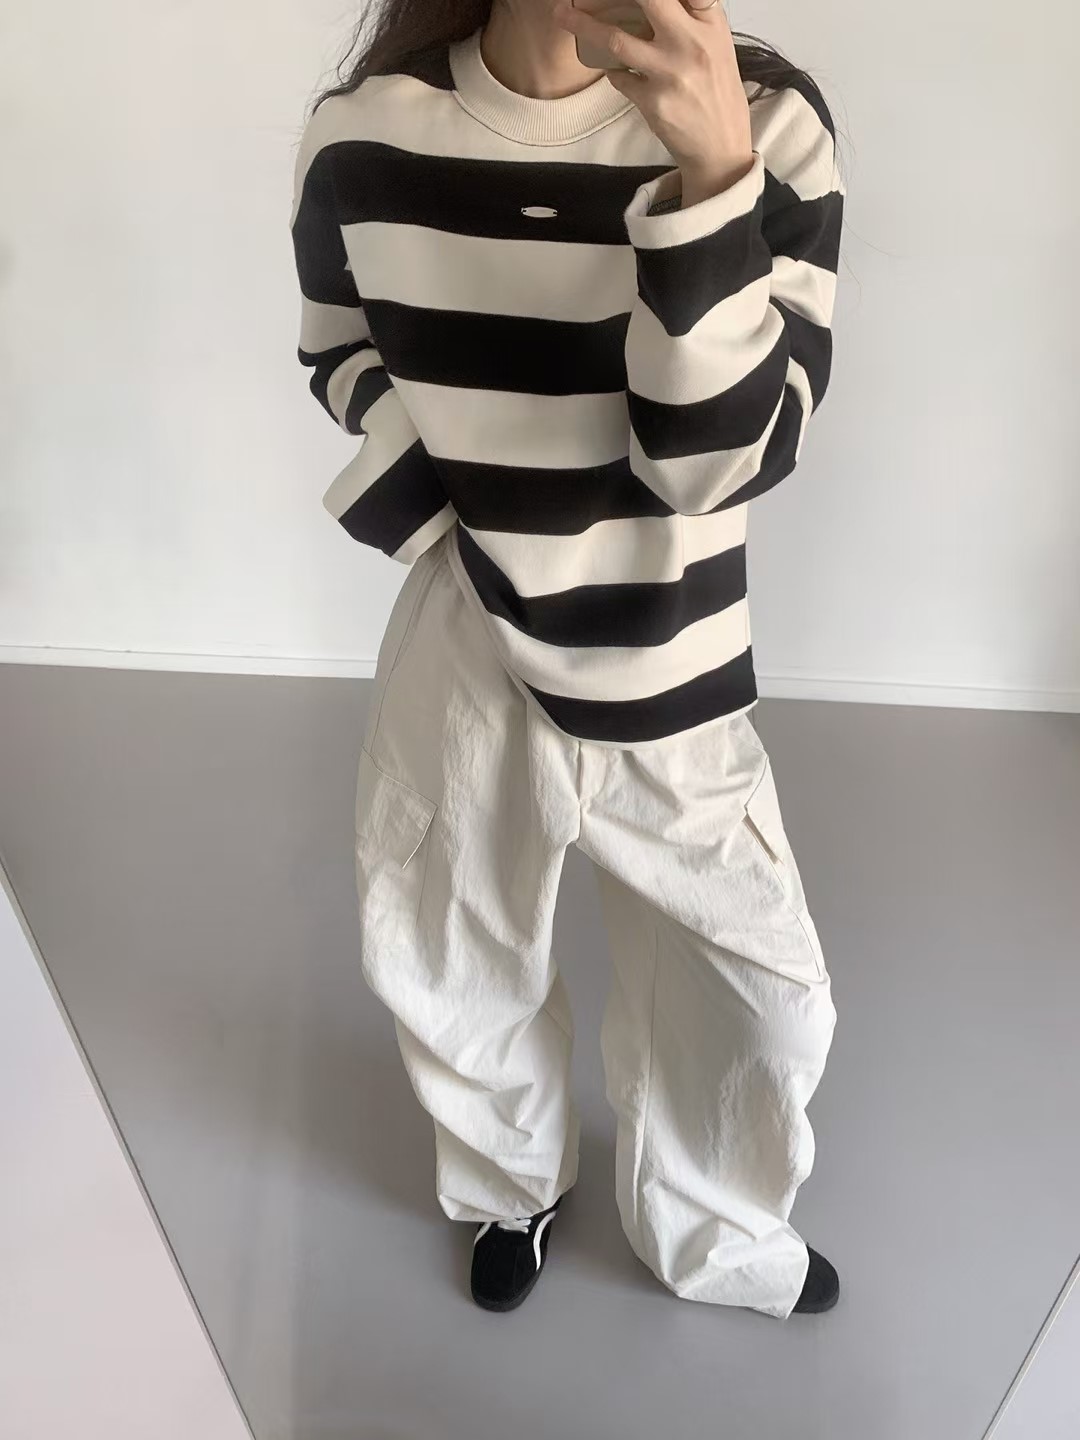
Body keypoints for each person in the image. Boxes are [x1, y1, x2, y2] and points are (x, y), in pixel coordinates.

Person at [289, 0, 846, 1319]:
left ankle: (717, 1228)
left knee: (755, 989)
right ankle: (510, 1185)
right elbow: (339, 349)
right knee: (448, 948)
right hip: (468, 640)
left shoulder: (770, 128)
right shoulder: (363, 138)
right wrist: (455, 523)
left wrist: (712, 180)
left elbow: (726, 461)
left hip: (672, 644)